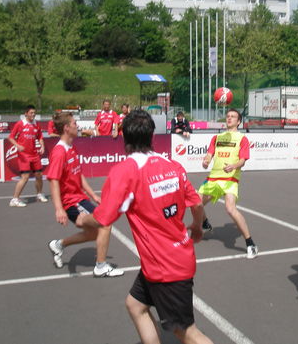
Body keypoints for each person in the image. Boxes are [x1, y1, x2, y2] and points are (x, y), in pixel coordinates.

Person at [77, 110, 212, 344]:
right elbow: (197, 203)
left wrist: (82, 219)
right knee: (135, 305)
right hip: (169, 259)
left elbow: (102, 219)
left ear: (123, 138)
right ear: (152, 136)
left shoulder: (125, 171)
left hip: (165, 267)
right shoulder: (171, 165)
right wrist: (198, 227)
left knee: (186, 332)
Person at [45, 112, 123, 277]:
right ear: (66, 128)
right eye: (74, 123)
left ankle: (59, 245)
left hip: (80, 199)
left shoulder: (70, 147)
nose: (77, 126)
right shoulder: (59, 152)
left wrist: (92, 195)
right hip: (71, 202)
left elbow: (78, 174)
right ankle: (100, 266)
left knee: (94, 233)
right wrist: (59, 209)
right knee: (105, 222)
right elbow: (53, 180)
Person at [198, 108, 258, 259]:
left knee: (230, 209)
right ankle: (205, 223)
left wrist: (234, 166)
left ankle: (251, 244)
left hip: (230, 179)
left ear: (239, 122)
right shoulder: (217, 137)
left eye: (233, 117)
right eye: (228, 116)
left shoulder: (242, 139)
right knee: (195, 203)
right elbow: (209, 154)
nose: (229, 118)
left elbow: (243, 160)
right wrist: (206, 161)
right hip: (213, 178)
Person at [7, 105, 48, 207]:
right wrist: (17, 145)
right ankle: (15, 199)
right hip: (24, 155)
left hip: (34, 154)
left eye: (34, 113)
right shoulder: (20, 124)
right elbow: (10, 137)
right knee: (25, 177)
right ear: (26, 113)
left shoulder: (36, 125)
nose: (33, 115)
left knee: (39, 175)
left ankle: (39, 194)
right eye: (31, 113)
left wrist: (42, 146)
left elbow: (40, 137)